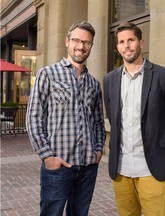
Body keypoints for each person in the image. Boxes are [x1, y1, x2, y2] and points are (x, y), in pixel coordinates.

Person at [103, 22, 165, 216]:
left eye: (130, 40)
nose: (127, 46)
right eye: (121, 42)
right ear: (117, 47)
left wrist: (161, 145)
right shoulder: (110, 80)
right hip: (121, 169)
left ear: (141, 42)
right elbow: (113, 118)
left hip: (152, 168)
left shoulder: (164, 76)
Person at [26, 21, 106, 216]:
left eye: (87, 42)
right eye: (77, 40)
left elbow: (98, 122)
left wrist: (98, 150)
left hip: (87, 166)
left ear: (91, 46)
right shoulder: (48, 74)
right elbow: (34, 117)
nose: (81, 46)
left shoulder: (94, 84)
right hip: (58, 165)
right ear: (67, 42)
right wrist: (47, 156)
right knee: (51, 213)